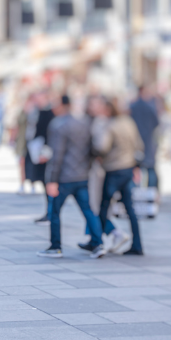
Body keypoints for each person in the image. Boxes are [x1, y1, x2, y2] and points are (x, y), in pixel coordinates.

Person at [38, 95, 105, 259]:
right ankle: (98, 243)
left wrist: (52, 180)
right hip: (81, 175)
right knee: (88, 210)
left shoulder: (58, 125)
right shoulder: (84, 123)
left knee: (54, 211)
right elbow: (92, 149)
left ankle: (56, 246)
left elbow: (57, 155)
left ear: (62, 105)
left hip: (64, 178)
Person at [89, 98, 145, 256]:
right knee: (130, 209)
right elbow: (139, 145)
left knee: (103, 206)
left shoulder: (111, 125)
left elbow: (102, 147)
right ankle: (138, 244)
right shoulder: (129, 122)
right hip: (128, 167)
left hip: (113, 169)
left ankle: (96, 241)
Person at [27, 93, 55, 222]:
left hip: (46, 154)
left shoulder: (49, 114)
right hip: (39, 152)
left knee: (49, 183)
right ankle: (50, 213)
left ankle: (51, 213)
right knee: (45, 183)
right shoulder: (37, 113)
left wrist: (46, 152)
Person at [130, 86, 160, 194]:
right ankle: (150, 193)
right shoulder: (149, 107)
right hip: (147, 141)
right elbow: (157, 123)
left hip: (136, 142)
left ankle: (135, 193)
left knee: (136, 170)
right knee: (150, 169)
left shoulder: (132, 106)